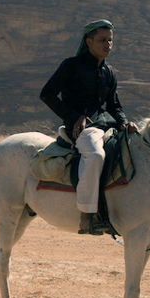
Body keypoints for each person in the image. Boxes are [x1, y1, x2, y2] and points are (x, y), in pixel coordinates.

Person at [40, 19, 138, 234]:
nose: (108, 45)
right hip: (84, 128)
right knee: (95, 156)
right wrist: (75, 117)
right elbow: (47, 94)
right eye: (102, 40)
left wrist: (123, 122)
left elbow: (114, 105)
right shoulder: (70, 66)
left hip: (108, 125)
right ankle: (86, 216)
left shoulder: (109, 72)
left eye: (110, 40)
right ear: (89, 42)